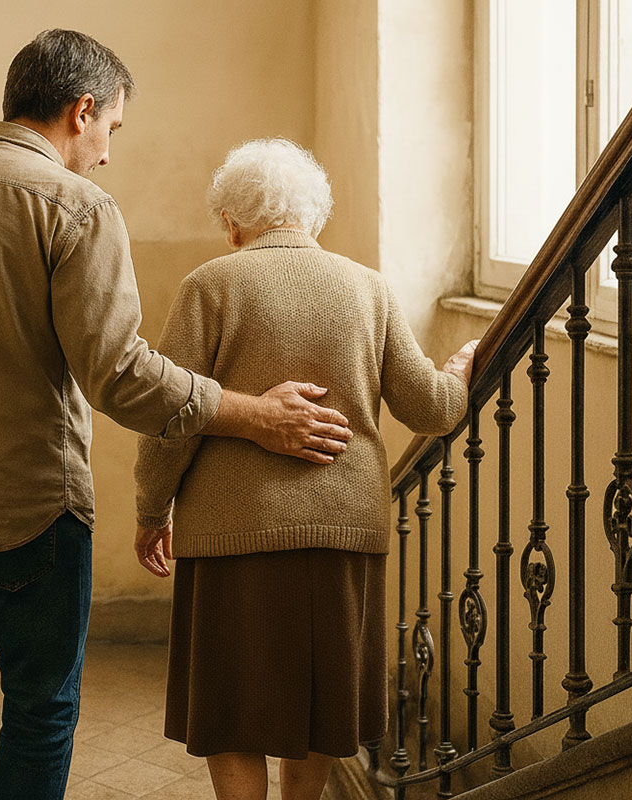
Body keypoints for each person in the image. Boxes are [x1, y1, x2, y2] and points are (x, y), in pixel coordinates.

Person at [0, 32, 355, 800]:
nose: (106, 153)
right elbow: (121, 375)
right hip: (28, 516)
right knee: (39, 713)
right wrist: (252, 415)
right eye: (111, 130)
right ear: (82, 111)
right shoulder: (77, 206)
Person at [134, 138, 477, 800]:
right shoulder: (367, 288)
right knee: (319, 709)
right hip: (341, 536)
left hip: (233, 534)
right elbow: (431, 409)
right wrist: (457, 372)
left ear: (234, 222)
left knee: (231, 716)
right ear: (312, 215)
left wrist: (152, 513)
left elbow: (170, 418)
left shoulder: (211, 284)